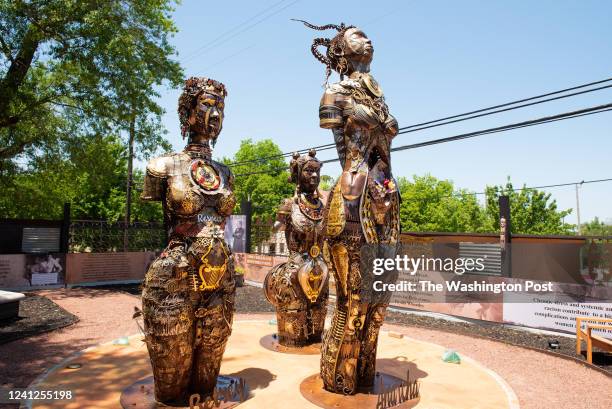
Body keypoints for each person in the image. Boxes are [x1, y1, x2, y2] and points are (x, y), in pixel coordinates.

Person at [297, 20, 400, 394]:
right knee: (353, 298)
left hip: (385, 196)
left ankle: (366, 370)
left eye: (369, 34)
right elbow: (344, 141)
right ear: (341, 49)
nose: (368, 37)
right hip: (353, 197)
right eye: (358, 35)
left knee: (380, 298)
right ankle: (339, 375)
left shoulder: (379, 95)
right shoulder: (335, 95)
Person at [140, 77, 236, 404]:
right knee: (171, 378)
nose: (214, 114)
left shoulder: (225, 172)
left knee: (207, 379)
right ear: (188, 111)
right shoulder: (163, 166)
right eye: (206, 105)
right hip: (174, 275)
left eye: (220, 108)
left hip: (220, 277)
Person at [263, 150, 329, 347]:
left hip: (320, 272)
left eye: (317, 171)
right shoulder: (290, 204)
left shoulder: (323, 207)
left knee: (318, 329)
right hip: (294, 273)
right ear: (298, 174)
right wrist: (280, 221)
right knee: (294, 336)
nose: (315, 176)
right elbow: (275, 227)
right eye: (309, 171)